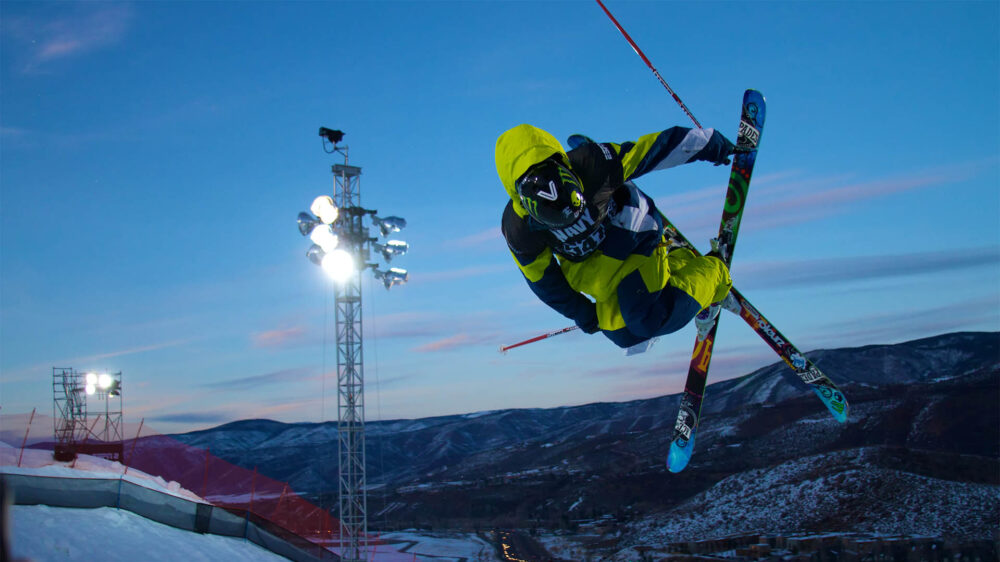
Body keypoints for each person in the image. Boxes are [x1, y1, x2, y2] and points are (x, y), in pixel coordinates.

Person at [495, 123, 739, 350]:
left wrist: (707, 143)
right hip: (597, 272)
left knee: (647, 320)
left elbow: (651, 151)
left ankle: (715, 273)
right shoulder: (519, 231)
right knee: (624, 336)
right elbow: (544, 282)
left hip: (632, 238)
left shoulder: (594, 164)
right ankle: (679, 263)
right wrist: (581, 312)